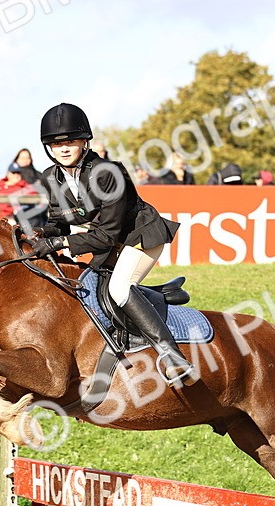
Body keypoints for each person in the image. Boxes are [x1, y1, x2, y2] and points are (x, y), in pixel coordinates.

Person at [26, 102, 195, 386]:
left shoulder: (107, 172)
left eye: (70, 141)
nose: (63, 149)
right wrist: (41, 233)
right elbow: (60, 221)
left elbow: (106, 234)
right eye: (55, 144)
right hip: (111, 243)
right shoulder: (50, 177)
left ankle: (174, 358)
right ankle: (152, 298)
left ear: (84, 141)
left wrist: (60, 242)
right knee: (89, 285)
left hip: (140, 237)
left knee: (118, 288)